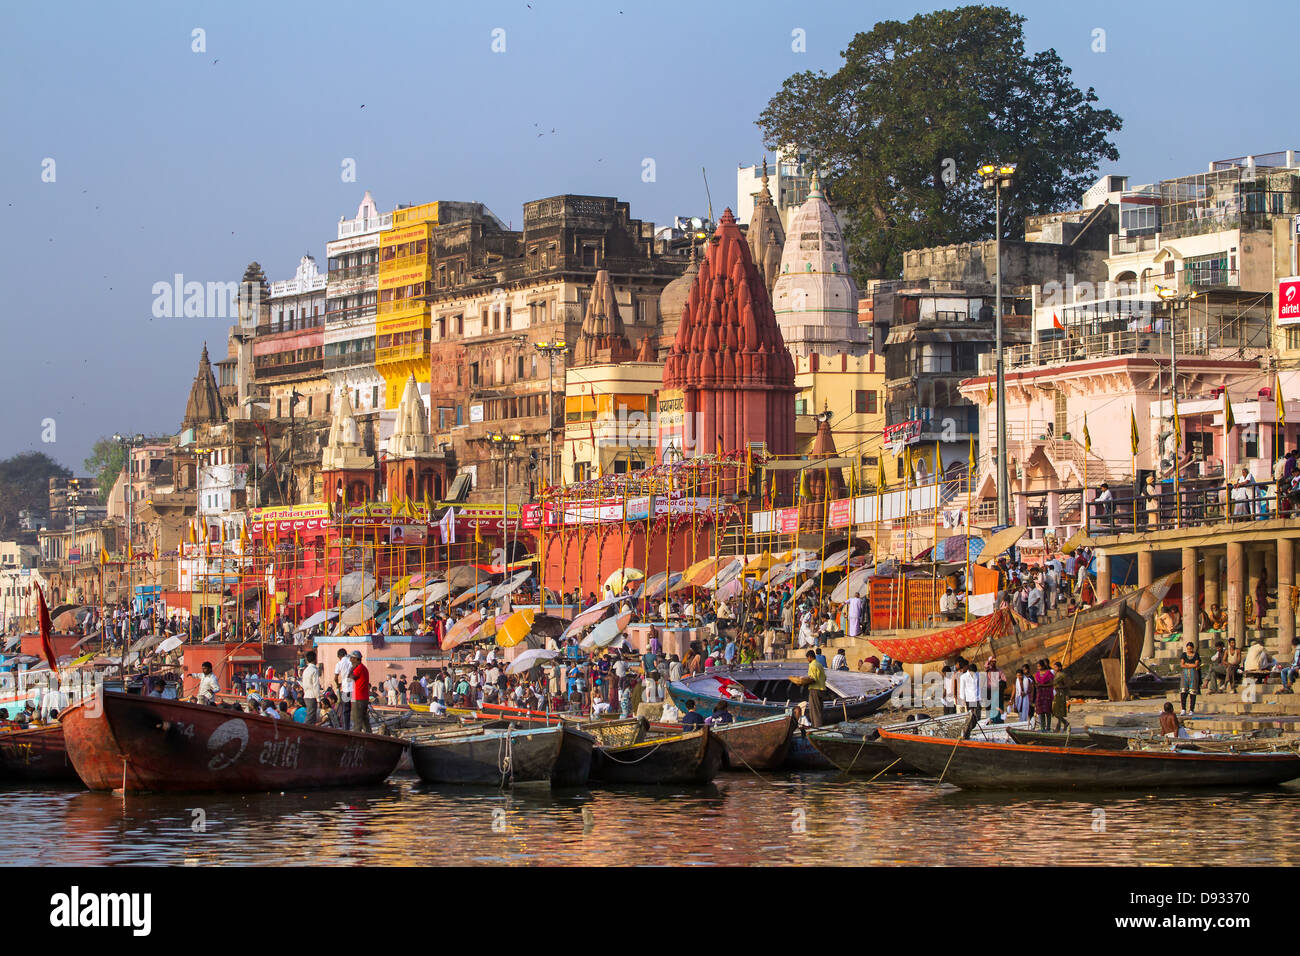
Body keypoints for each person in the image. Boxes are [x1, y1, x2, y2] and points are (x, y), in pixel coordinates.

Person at [349, 651, 371, 733]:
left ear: (356, 659)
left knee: (357, 722)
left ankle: (356, 740)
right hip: (364, 697)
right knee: (365, 721)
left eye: (351, 658)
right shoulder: (364, 668)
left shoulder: (359, 668)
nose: (350, 660)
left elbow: (350, 677)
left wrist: (352, 668)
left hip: (359, 698)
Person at [804, 649, 827, 728]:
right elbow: (824, 677)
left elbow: (813, 678)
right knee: (819, 710)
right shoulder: (819, 664)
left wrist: (803, 682)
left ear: (810, 657)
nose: (807, 660)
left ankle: (817, 728)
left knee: (814, 711)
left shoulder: (812, 665)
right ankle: (819, 726)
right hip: (822, 689)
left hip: (814, 690)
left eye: (807, 658)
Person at [1178, 641, 1202, 715]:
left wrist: (1187, 664)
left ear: (1193, 648)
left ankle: (1191, 709)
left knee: (1192, 692)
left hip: (1193, 674)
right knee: (1183, 692)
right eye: (1188, 649)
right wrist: (1190, 665)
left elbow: (1196, 665)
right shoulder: (1184, 655)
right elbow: (1182, 665)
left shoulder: (1196, 655)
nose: (1189, 650)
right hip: (1184, 675)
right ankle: (1183, 709)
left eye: (1190, 649)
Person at [333, 648, 354, 731]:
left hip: (345, 688)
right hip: (353, 687)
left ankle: (346, 728)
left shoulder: (339, 664)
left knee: (346, 709)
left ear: (339, 656)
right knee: (354, 707)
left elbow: (335, 678)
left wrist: (338, 684)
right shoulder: (351, 661)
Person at [301, 650, 320, 724]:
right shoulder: (314, 670)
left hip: (306, 695)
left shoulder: (305, 670)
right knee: (310, 718)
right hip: (312, 696)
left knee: (312, 717)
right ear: (315, 659)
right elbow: (316, 685)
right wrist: (318, 699)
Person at [1050, 661, 1070, 731]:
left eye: (1056, 667)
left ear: (1060, 667)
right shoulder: (1054, 674)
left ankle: (1060, 725)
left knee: (1058, 711)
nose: (1054, 668)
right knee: (1054, 711)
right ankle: (1064, 723)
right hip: (1055, 693)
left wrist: (1060, 688)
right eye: (1054, 667)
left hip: (1060, 694)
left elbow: (1066, 685)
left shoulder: (1062, 675)